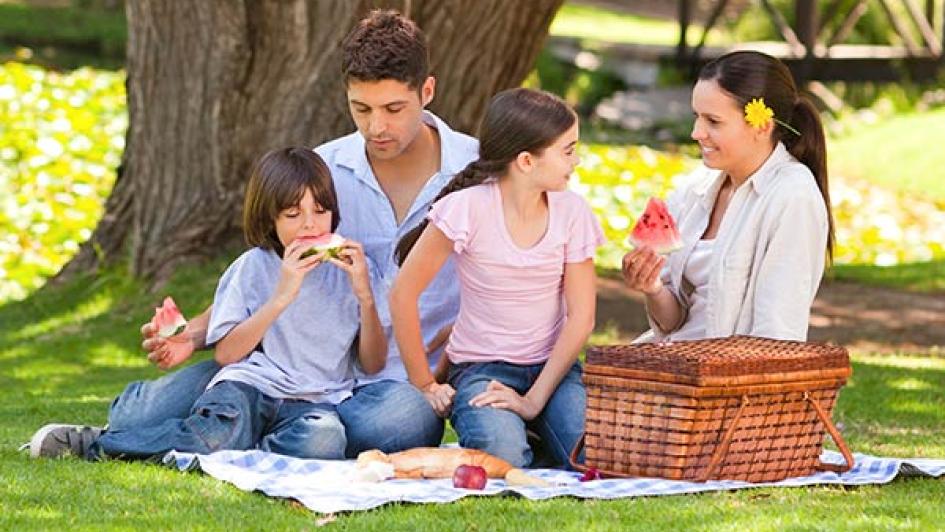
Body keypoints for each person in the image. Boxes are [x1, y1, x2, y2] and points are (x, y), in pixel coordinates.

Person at [27, 10, 478, 459]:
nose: (376, 127)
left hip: (391, 382)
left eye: (394, 109)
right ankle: (225, 429)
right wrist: (194, 333)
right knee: (134, 417)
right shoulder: (321, 172)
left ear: (427, 91)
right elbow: (264, 270)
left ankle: (242, 433)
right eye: (361, 109)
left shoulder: (475, 174)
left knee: (402, 424)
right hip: (281, 363)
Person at [91, 147, 384, 459]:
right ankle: (96, 445)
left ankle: (248, 450)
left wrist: (365, 297)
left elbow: (373, 363)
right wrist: (281, 297)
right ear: (270, 219)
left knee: (324, 441)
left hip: (316, 400)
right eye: (293, 215)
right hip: (250, 387)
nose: (310, 225)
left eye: (321, 211)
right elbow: (227, 354)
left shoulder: (354, 272)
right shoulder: (253, 266)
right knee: (219, 433)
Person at [390, 88, 605, 468]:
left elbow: (581, 318)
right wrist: (425, 384)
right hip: (481, 369)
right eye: (568, 150)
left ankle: (534, 424)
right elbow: (403, 294)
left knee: (593, 457)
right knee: (504, 459)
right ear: (526, 161)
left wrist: (534, 399)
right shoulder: (466, 208)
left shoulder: (572, 212)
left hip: (552, 369)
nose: (577, 160)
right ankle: (519, 433)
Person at [621, 50, 834, 343]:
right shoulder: (696, 185)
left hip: (730, 377)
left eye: (713, 121)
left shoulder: (792, 196)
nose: (697, 132)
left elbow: (777, 331)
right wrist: (652, 287)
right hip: (673, 359)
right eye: (697, 117)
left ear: (762, 125)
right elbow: (673, 322)